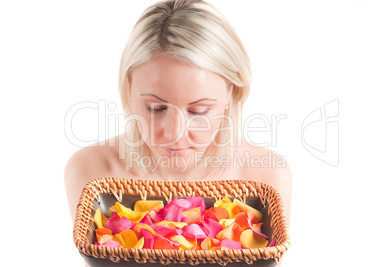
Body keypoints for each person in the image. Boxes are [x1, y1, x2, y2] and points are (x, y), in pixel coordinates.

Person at [64, 0, 292, 265]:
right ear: (128, 88)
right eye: (156, 107)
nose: (174, 132)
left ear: (232, 92)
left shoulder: (267, 177)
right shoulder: (91, 172)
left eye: (198, 111)